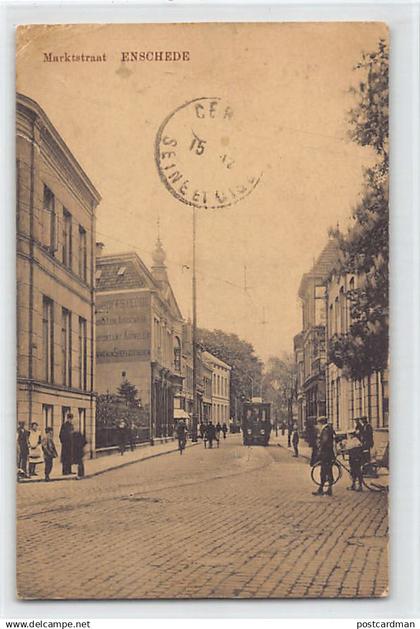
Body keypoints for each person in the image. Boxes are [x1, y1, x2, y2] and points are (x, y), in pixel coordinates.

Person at [312, 418, 336, 497]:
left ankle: (322, 489)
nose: (318, 425)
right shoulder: (328, 428)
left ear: (321, 422)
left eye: (319, 423)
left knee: (324, 471)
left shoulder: (325, 430)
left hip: (326, 454)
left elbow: (325, 441)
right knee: (327, 471)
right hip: (328, 454)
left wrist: (320, 448)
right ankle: (327, 489)